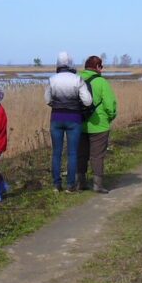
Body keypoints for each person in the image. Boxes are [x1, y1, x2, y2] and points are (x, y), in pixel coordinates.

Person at [45, 51, 93, 192]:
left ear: (58, 64)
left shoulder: (52, 80)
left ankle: (56, 184)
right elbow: (88, 101)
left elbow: (47, 100)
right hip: (74, 119)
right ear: (71, 64)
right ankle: (71, 185)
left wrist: (58, 104)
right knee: (72, 153)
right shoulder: (77, 80)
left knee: (56, 153)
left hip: (56, 118)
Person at [78, 55, 118, 193]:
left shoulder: (77, 79)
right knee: (97, 156)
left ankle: (80, 182)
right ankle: (98, 185)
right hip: (99, 125)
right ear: (98, 67)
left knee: (81, 154)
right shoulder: (102, 82)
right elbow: (109, 104)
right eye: (101, 67)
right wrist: (110, 117)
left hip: (79, 123)